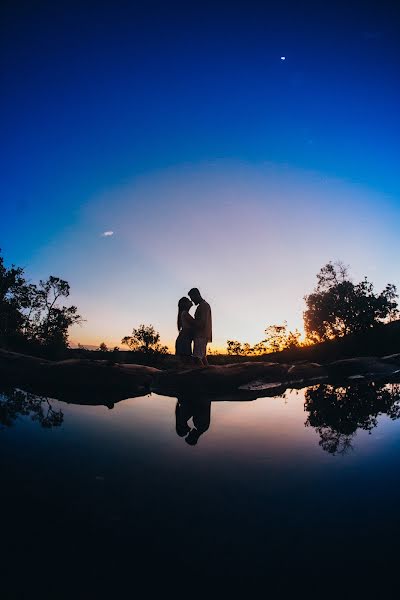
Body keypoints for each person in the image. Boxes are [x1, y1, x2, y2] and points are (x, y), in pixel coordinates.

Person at [188, 288, 212, 367]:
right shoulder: (204, 305)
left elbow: (202, 323)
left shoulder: (203, 306)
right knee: (202, 357)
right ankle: (209, 374)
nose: (192, 300)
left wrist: (190, 320)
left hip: (200, 335)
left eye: (192, 298)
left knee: (197, 358)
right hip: (202, 335)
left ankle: (205, 377)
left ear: (196, 295)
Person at [175, 296, 195, 365]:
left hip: (184, 339)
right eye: (189, 301)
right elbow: (196, 323)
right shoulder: (185, 313)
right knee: (186, 362)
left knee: (184, 362)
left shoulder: (183, 314)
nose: (191, 301)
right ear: (185, 304)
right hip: (184, 340)